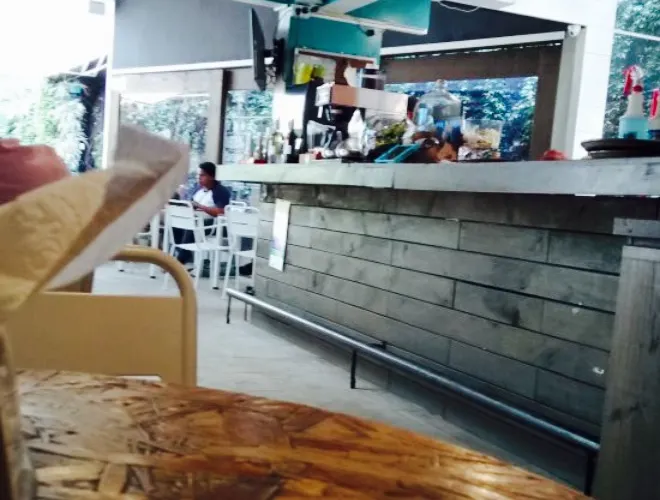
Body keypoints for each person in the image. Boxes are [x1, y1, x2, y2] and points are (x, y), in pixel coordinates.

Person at [174, 162, 231, 265]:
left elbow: (221, 212)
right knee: (175, 223)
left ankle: (180, 260)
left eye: (202, 175)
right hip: (196, 220)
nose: (199, 178)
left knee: (193, 225)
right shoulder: (199, 189)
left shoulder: (220, 191)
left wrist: (200, 207)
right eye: (198, 175)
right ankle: (182, 253)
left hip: (213, 225)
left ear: (212, 177)